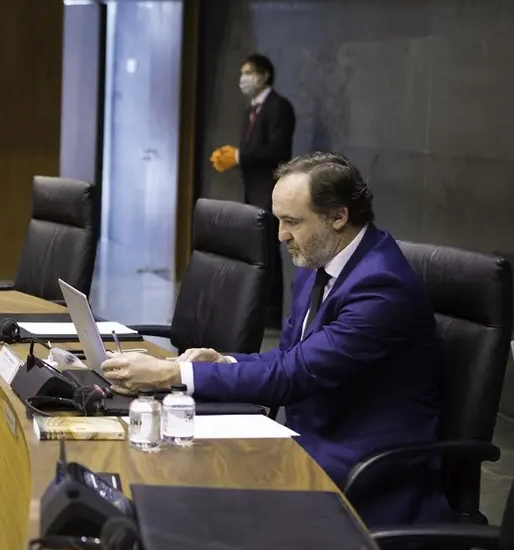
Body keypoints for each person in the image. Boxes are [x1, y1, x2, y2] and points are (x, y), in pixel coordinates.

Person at [103, 152, 450, 528]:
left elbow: (294, 373)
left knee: (202, 486)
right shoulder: (319, 261)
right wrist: (224, 363)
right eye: (278, 220)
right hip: (312, 437)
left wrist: (173, 374)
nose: (281, 235)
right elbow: (290, 356)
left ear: (338, 217)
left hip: (367, 465)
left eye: (292, 222)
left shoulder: (381, 287)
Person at [211, 53, 296, 326]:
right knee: (258, 249)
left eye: (248, 72)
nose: (243, 79)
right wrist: (236, 158)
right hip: (253, 189)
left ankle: (271, 312)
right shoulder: (252, 109)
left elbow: (277, 150)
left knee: (270, 250)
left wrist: (240, 157)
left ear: (264, 75)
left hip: (271, 189)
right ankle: (257, 308)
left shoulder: (279, 107)